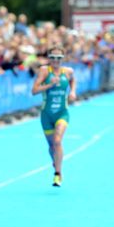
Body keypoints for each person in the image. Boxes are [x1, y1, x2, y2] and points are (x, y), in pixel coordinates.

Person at [31, 46, 77, 187]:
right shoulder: (45, 71)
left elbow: (73, 80)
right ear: (49, 58)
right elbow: (34, 90)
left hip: (62, 113)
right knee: (52, 146)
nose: (55, 61)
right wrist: (50, 85)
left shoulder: (68, 71)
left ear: (63, 59)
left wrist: (73, 92)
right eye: (53, 58)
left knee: (57, 141)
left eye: (59, 58)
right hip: (46, 115)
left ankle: (57, 174)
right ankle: (56, 161)